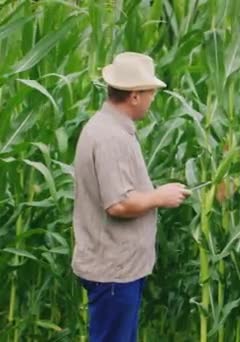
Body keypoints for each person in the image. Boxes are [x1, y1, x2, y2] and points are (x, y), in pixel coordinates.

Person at [71, 52, 191, 342]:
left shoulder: (110, 128)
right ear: (135, 96)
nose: (152, 99)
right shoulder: (111, 136)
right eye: (150, 93)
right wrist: (160, 196)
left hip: (116, 266)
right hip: (114, 269)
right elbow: (118, 203)